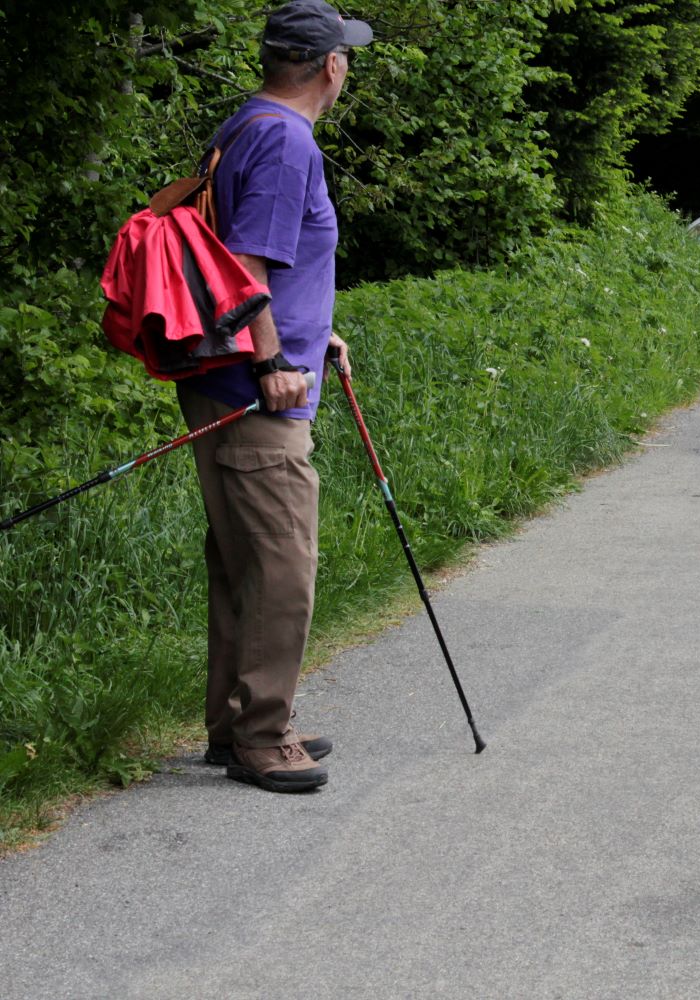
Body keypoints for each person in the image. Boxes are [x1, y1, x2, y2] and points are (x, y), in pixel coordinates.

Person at [178, 0, 372, 793]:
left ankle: (235, 725)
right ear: (330, 66)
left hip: (225, 376)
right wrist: (273, 362)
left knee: (244, 560)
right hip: (256, 393)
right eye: (345, 56)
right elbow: (247, 265)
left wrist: (312, 332)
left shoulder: (245, 124)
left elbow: (244, 258)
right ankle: (263, 736)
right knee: (284, 564)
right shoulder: (288, 141)